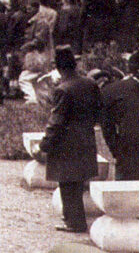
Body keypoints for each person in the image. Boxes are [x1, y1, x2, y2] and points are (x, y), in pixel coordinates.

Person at [33, 46, 101, 233]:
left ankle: (74, 222)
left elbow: (56, 122)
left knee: (67, 184)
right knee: (77, 182)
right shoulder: (90, 84)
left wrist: (44, 145)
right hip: (86, 137)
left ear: (58, 67)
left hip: (67, 142)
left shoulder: (62, 89)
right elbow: (98, 110)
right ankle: (74, 219)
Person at [95, 53, 139, 182]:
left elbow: (108, 130)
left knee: (124, 183)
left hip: (129, 139)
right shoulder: (131, 85)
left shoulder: (103, 95)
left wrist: (116, 152)